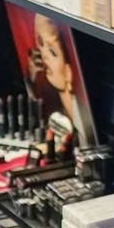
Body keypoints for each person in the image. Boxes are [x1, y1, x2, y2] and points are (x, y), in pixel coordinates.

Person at [27, 14, 93, 146]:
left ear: (69, 71)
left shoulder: (84, 119)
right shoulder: (49, 102)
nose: (44, 56)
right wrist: (31, 76)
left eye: (52, 52)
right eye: (40, 44)